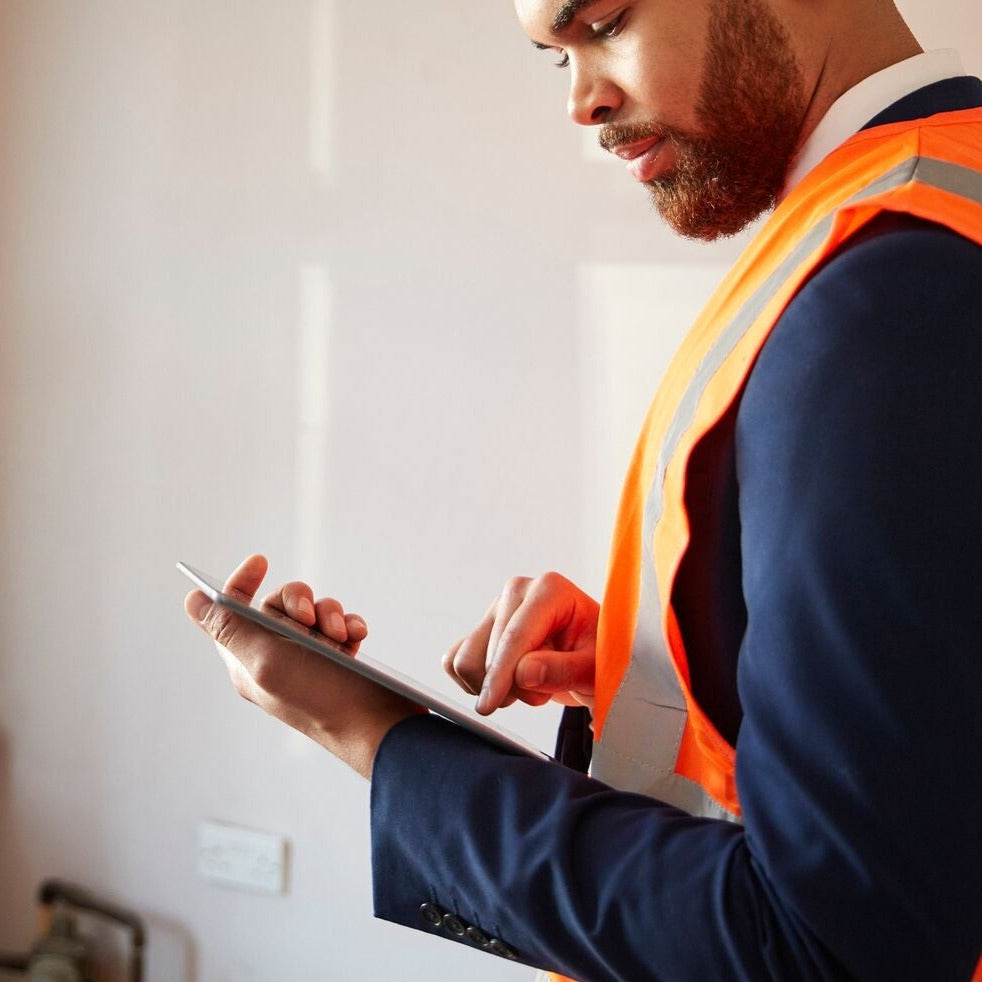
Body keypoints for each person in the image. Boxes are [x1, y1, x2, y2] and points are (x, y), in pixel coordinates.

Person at [184, 0, 982, 978]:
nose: (579, 100)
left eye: (603, 21)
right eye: (551, 56)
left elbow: (837, 950)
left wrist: (372, 736)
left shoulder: (881, 293)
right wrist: (671, 656)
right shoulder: (940, 197)